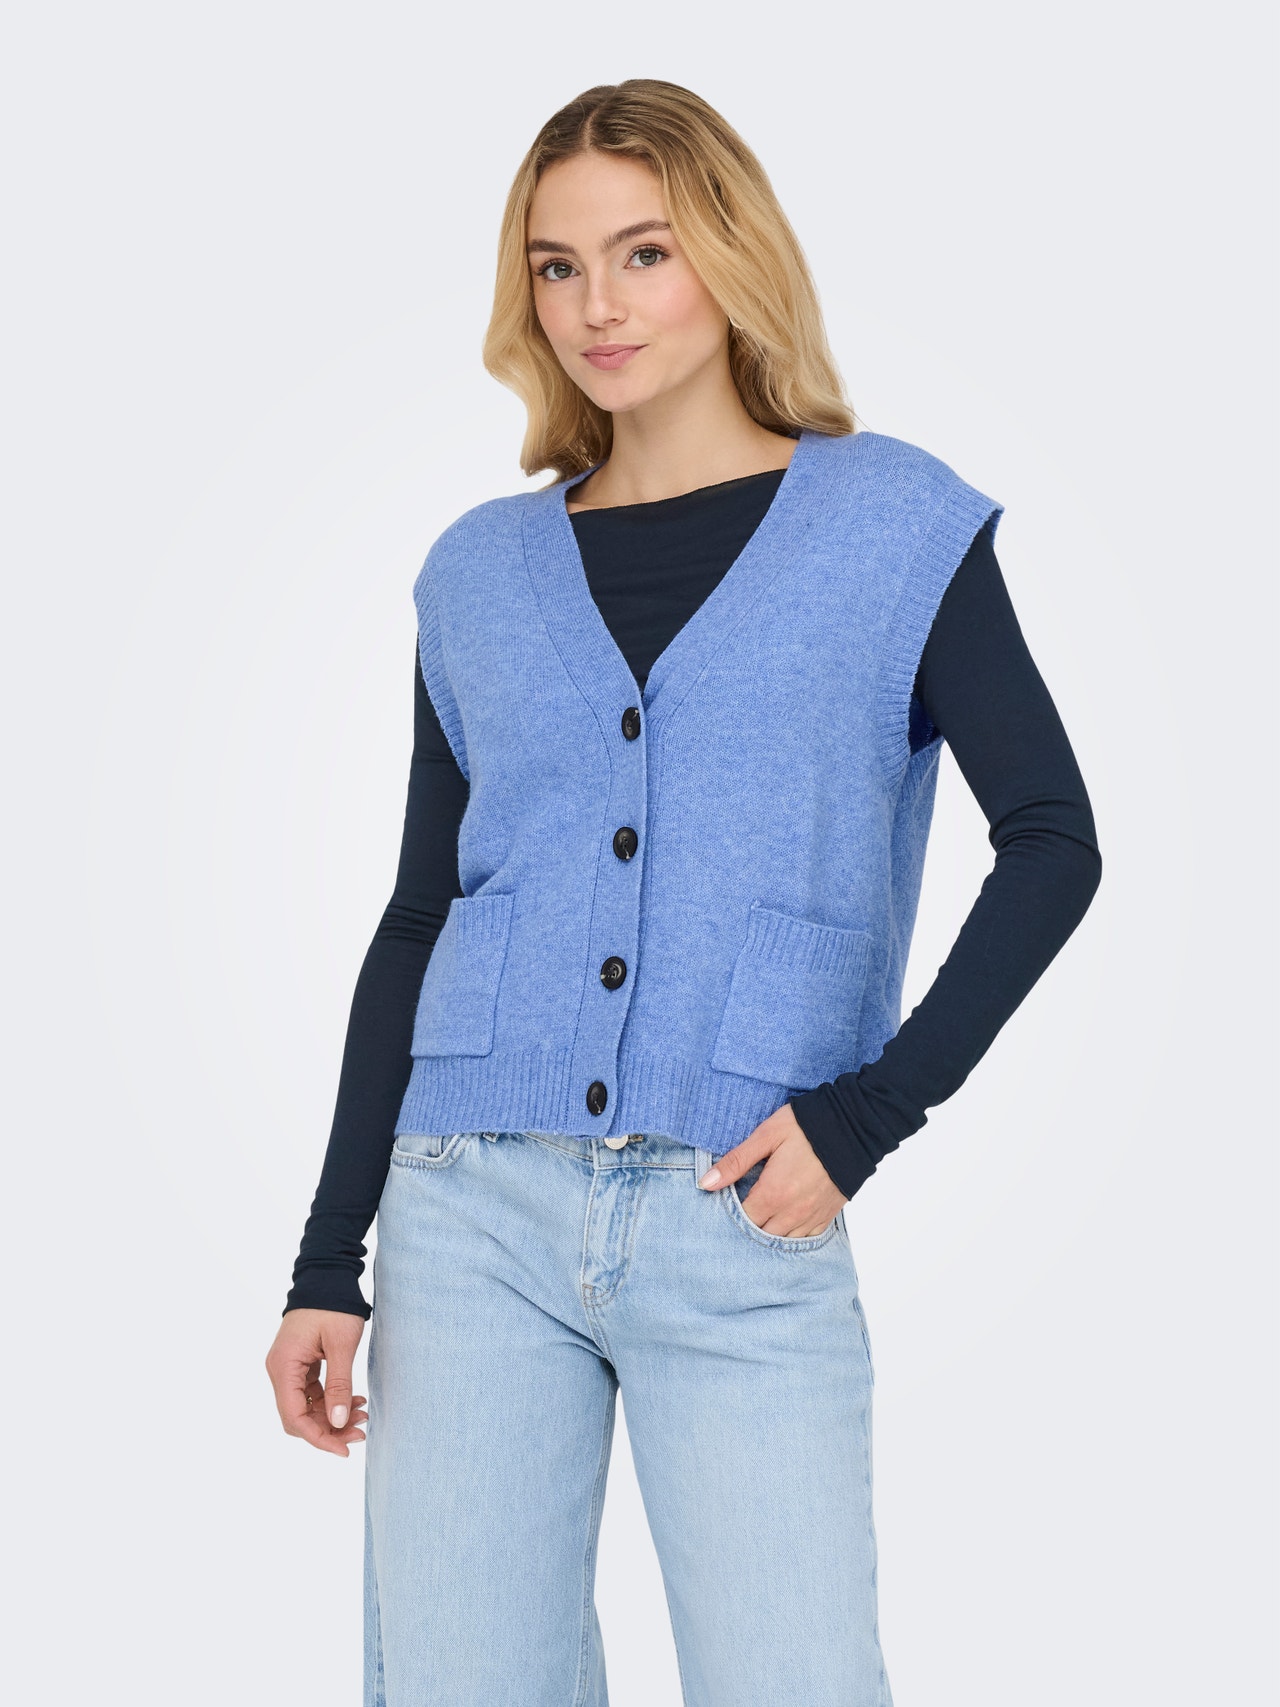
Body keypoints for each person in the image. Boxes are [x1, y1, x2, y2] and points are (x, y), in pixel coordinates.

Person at [265, 79, 1102, 1707]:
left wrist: (867, 1117)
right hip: (468, 1210)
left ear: (729, 253)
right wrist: (324, 1260)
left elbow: (1054, 840)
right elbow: (419, 917)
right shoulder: (476, 572)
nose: (598, 303)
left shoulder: (896, 526)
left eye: (642, 252)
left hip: (742, 1204)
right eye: (557, 265)